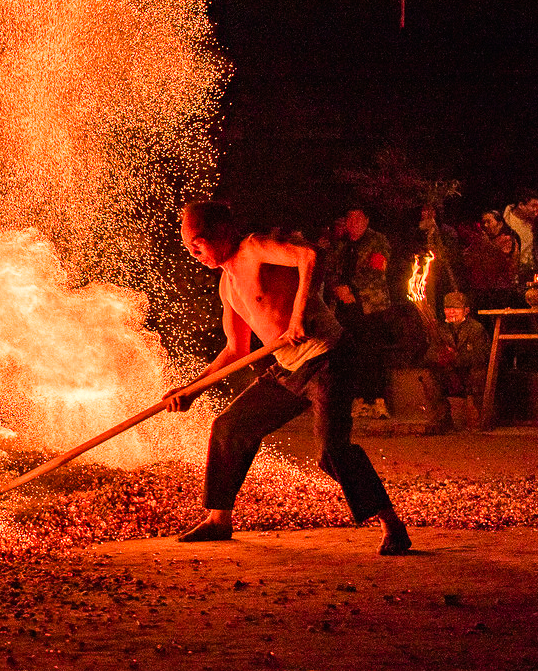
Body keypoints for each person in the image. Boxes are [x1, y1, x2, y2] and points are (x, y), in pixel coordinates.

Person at [163, 200, 410, 555]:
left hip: (327, 357)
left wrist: (297, 316)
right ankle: (218, 520)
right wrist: (192, 390)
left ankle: (392, 524)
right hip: (289, 368)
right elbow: (236, 349)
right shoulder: (228, 286)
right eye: (188, 246)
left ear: (221, 232)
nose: (193, 252)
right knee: (230, 427)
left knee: (332, 451)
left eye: (198, 243)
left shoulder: (254, 248)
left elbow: (309, 256)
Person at [327, 206, 392, 411]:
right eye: (350, 219)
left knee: (372, 352)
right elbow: (331, 268)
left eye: (357, 219)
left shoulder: (377, 241)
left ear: (366, 220)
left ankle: (375, 398)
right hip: (344, 306)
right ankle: (353, 398)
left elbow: (377, 270)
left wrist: (352, 288)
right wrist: (337, 289)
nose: (353, 224)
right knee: (347, 352)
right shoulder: (342, 244)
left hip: (370, 305)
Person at [423, 292, 490, 432]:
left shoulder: (476, 329)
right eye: (448, 308)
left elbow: (482, 355)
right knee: (429, 379)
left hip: (468, 376)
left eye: (456, 308)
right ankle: (443, 421)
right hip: (449, 375)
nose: (452, 312)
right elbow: (429, 354)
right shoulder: (439, 330)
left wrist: (456, 357)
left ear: (466, 310)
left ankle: (480, 420)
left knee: (479, 375)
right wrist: (439, 357)